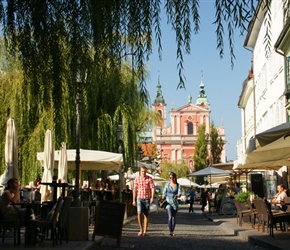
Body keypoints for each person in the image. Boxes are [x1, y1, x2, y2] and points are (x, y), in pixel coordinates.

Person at [132, 165, 155, 236]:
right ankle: (140, 229)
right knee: (139, 213)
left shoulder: (149, 179)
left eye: (144, 171)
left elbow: (152, 188)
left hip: (147, 198)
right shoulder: (137, 179)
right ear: (140, 171)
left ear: (146, 171)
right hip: (139, 198)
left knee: (146, 214)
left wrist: (152, 197)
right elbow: (135, 189)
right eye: (142, 171)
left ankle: (145, 231)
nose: (143, 173)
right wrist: (134, 200)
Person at [161, 171, 181, 236]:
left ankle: (172, 230)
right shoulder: (167, 185)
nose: (171, 179)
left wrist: (177, 195)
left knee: (173, 217)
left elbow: (179, 193)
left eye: (172, 178)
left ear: (175, 178)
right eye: (170, 178)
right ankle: (170, 231)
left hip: (175, 203)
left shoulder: (178, 185)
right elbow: (164, 193)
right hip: (168, 202)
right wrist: (163, 197)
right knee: (170, 216)